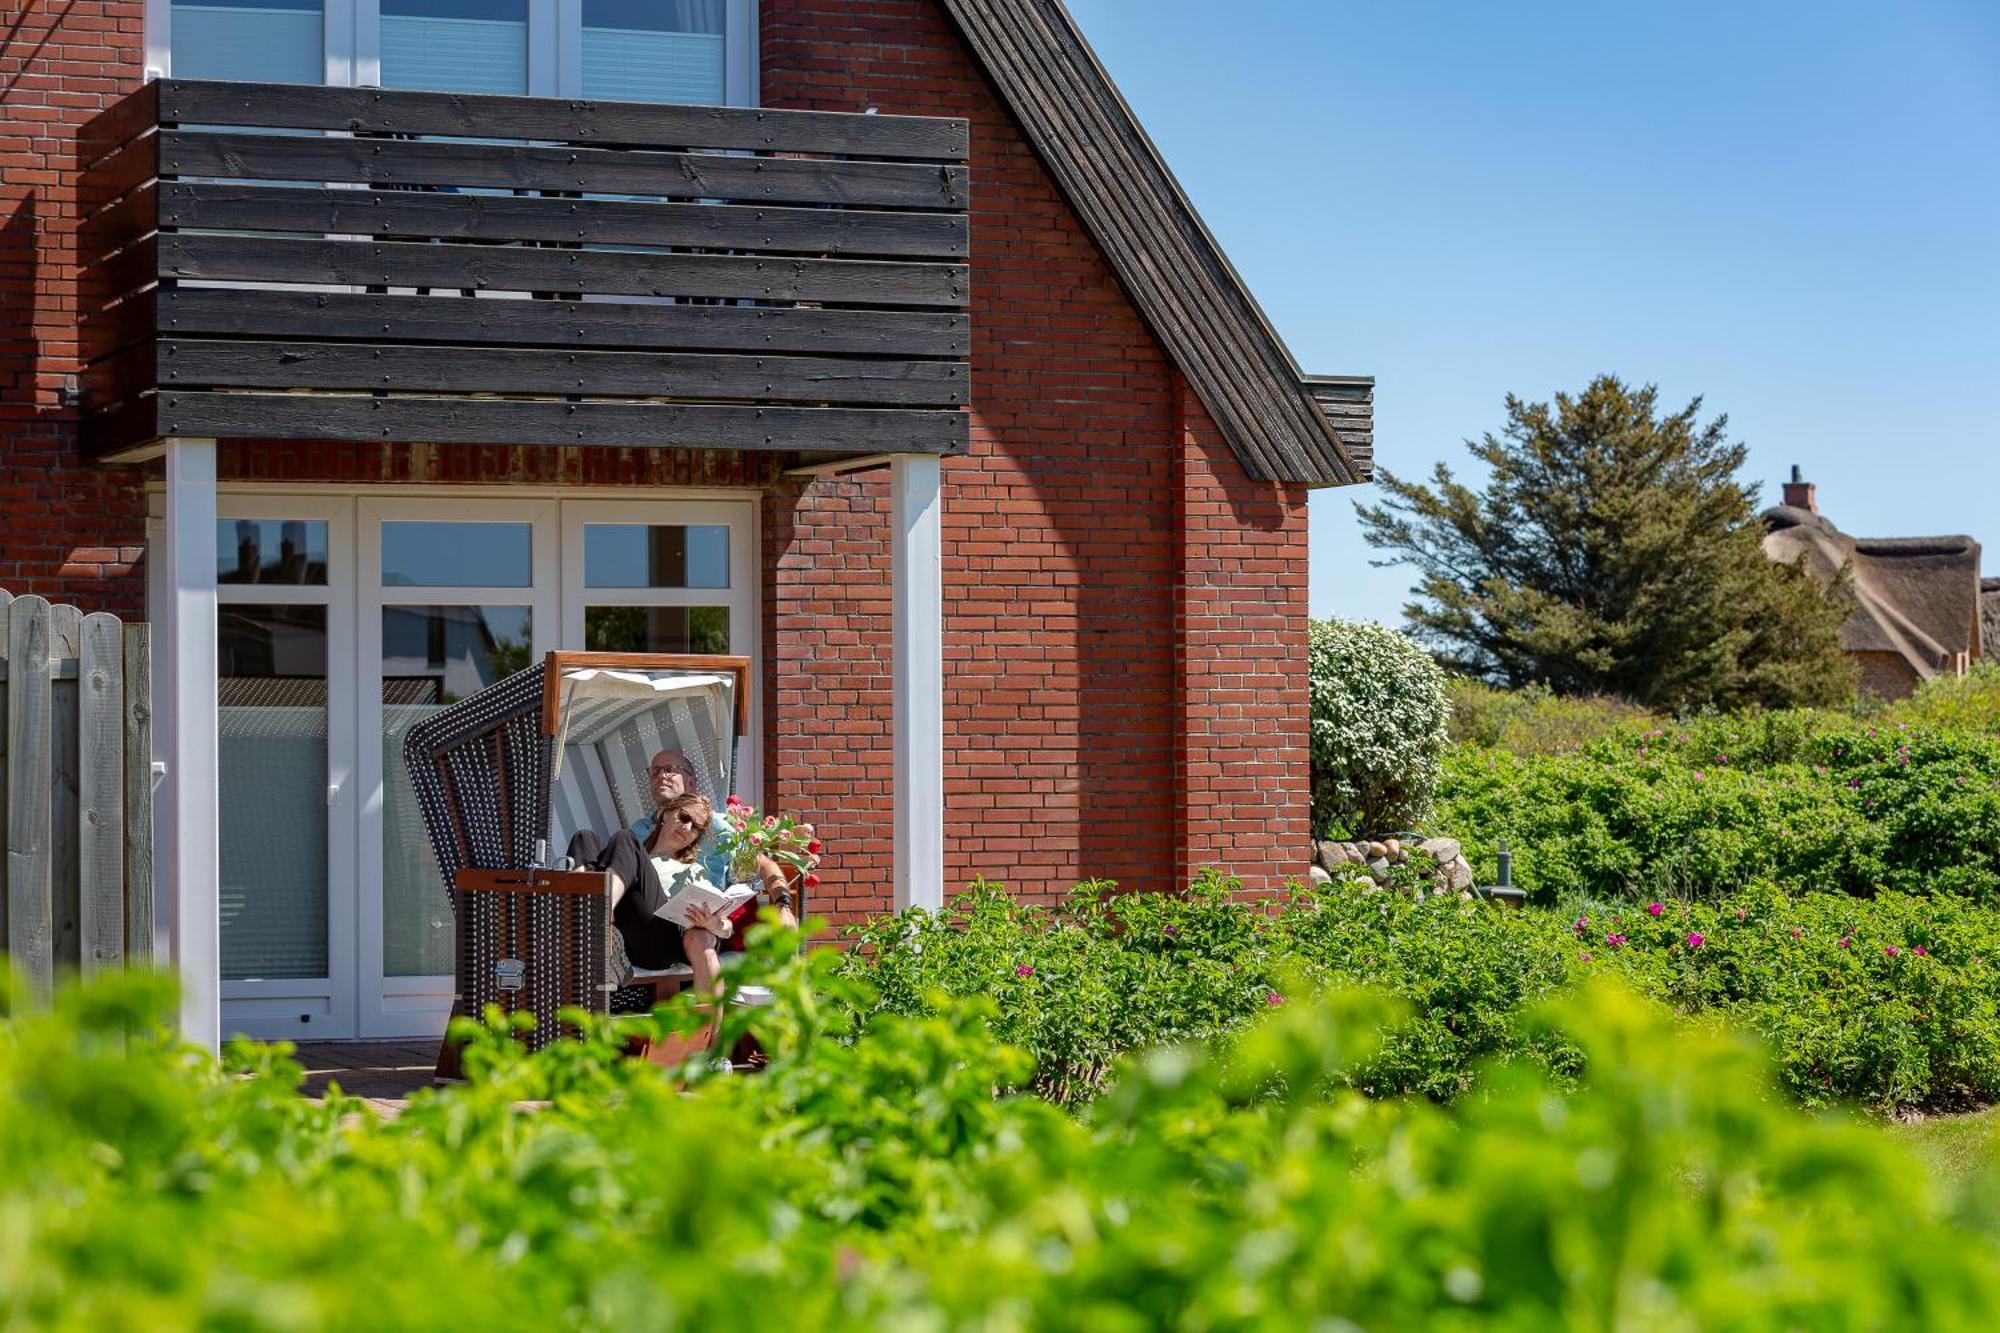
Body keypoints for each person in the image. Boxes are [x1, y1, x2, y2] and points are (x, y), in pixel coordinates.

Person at [630, 748, 796, 906]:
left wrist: (784, 905)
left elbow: (765, 866)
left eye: (670, 769)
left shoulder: (717, 827)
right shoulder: (639, 830)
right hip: (647, 917)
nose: (661, 775)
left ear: (691, 781)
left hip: (701, 919)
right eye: (655, 770)